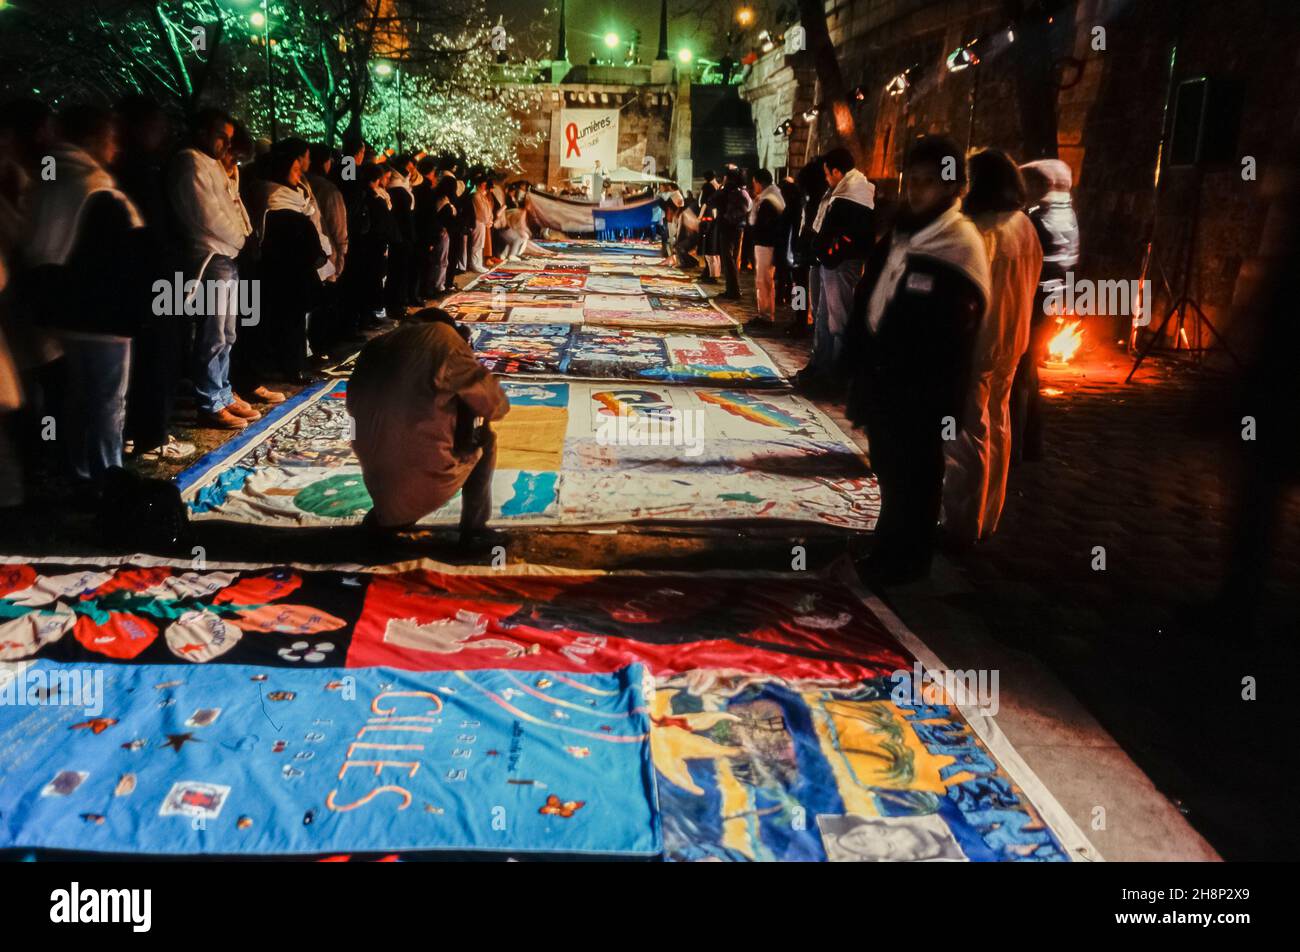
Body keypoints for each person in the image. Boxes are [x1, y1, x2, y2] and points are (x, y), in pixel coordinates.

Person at [844, 136, 990, 584]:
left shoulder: (957, 243)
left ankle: (907, 560)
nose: (916, 191)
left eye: (929, 183)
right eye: (913, 180)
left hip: (921, 386)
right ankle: (890, 542)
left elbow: (952, 331)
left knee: (917, 472)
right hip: (884, 376)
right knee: (888, 465)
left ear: (952, 188)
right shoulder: (903, 232)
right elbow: (875, 293)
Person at [24, 104, 145, 489]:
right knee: (108, 399)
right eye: (111, 140)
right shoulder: (94, 187)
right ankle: (107, 474)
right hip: (101, 312)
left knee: (78, 396)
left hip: (61, 309)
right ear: (94, 139)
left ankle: (77, 469)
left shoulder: (48, 177)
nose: (116, 149)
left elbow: (38, 244)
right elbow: (125, 256)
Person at [941, 150, 1042, 546]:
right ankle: (988, 516)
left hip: (977, 342)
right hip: (1012, 339)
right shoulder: (1025, 226)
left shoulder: (980, 230)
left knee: (967, 434)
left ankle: (962, 524)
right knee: (998, 425)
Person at [347, 307, 509, 549]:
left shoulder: (377, 344)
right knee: (485, 437)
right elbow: (496, 406)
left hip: (371, 463)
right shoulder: (444, 339)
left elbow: (354, 405)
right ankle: (474, 531)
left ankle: (392, 514)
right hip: (420, 464)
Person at [113, 95, 194, 463]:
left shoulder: (131, 168)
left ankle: (134, 434)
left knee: (142, 362)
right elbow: (154, 234)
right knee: (157, 359)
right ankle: (151, 437)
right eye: (158, 127)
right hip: (156, 282)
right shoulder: (141, 171)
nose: (163, 133)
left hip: (139, 282)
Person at [167, 108, 256, 429]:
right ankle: (209, 399)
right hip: (209, 257)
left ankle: (222, 391)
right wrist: (239, 238)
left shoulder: (214, 166)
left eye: (229, 140)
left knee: (227, 332)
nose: (225, 145)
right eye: (221, 136)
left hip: (226, 256)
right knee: (213, 333)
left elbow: (231, 207)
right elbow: (209, 216)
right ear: (203, 132)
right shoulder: (190, 162)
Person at [1013, 158, 1079, 463]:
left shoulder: (1040, 220)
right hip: (1048, 305)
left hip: (1036, 305)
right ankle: (1030, 443)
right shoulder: (1063, 216)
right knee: (1029, 376)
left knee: (1021, 377)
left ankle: (1018, 444)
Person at [800, 147, 875, 395]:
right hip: (830, 263)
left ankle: (838, 375)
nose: (826, 179)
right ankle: (820, 366)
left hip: (840, 265)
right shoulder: (843, 192)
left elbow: (847, 235)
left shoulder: (853, 195)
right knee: (823, 316)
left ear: (836, 171)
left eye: (827, 174)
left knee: (838, 319)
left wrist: (825, 251)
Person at [253, 144, 330, 384]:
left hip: (292, 270)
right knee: (287, 320)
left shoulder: (294, 198)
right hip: (284, 271)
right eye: (295, 170)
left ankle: (291, 363)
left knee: (291, 320)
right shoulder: (276, 199)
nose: (299, 176)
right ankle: (290, 366)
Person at [788, 156, 827, 340]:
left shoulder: (818, 201)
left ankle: (802, 321)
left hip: (808, 249)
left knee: (804, 288)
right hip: (803, 248)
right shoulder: (808, 200)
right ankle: (800, 320)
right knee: (800, 287)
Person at [748, 169, 785, 323]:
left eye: (754, 183)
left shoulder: (767, 200)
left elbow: (757, 224)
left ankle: (765, 315)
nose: (753, 186)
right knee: (766, 280)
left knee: (763, 280)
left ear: (759, 182)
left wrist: (755, 207)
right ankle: (767, 313)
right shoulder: (775, 194)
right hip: (770, 243)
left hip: (766, 244)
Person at [384, 153, 417, 318]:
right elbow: (404, 217)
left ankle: (398, 303)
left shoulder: (400, 188)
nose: (411, 170)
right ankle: (396, 305)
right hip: (401, 237)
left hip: (401, 236)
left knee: (399, 272)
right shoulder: (397, 190)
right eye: (409, 167)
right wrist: (410, 236)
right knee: (398, 272)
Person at [469, 178, 493, 273]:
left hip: (483, 222)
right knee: (477, 244)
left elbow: (488, 209)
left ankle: (479, 263)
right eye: (483, 184)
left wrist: (489, 220)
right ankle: (475, 264)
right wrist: (487, 220)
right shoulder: (476, 196)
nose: (485, 185)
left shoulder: (482, 195)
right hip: (478, 221)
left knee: (481, 244)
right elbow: (481, 210)